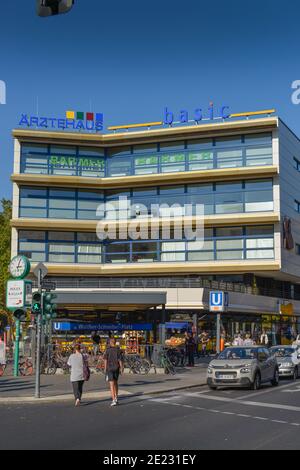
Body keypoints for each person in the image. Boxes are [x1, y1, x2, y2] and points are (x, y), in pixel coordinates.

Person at [104, 337, 124, 407]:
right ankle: (116, 397)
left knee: (111, 385)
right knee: (115, 383)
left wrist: (105, 368)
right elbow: (120, 360)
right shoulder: (118, 350)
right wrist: (121, 368)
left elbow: (105, 360)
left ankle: (113, 400)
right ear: (115, 342)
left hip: (110, 368)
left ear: (110, 342)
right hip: (116, 368)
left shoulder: (107, 350)